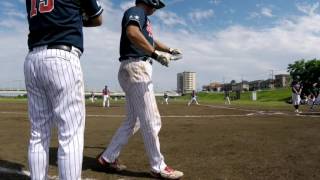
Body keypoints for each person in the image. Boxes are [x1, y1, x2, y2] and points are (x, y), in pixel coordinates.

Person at [96, 0, 184, 179]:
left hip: (133, 67)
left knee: (133, 121)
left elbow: (149, 39)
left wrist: (168, 49)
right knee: (152, 119)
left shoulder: (142, 17)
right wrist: (155, 54)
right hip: (137, 67)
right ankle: (157, 166)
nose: (155, 9)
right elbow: (132, 32)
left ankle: (107, 157)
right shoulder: (136, 11)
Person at [24, 0, 103, 179]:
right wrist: (77, 15)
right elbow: (98, 18)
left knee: (38, 132)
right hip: (62, 56)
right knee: (70, 134)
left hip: (33, 58)